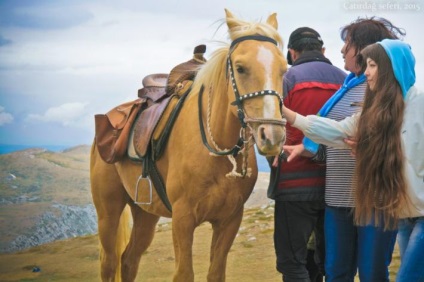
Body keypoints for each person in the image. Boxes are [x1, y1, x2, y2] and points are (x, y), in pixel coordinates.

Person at [282, 39, 423, 282]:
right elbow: (337, 131)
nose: (366, 72)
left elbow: (412, 159)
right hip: (404, 213)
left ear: (392, 68)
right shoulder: (376, 111)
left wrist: (371, 150)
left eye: (372, 65)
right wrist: (287, 114)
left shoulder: (419, 105)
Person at [267, 27, 346, 282]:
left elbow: (269, 130)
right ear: (323, 51)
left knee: (292, 261)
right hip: (337, 185)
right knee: (327, 261)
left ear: (292, 52)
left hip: (293, 185)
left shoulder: (286, 80)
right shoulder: (345, 80)